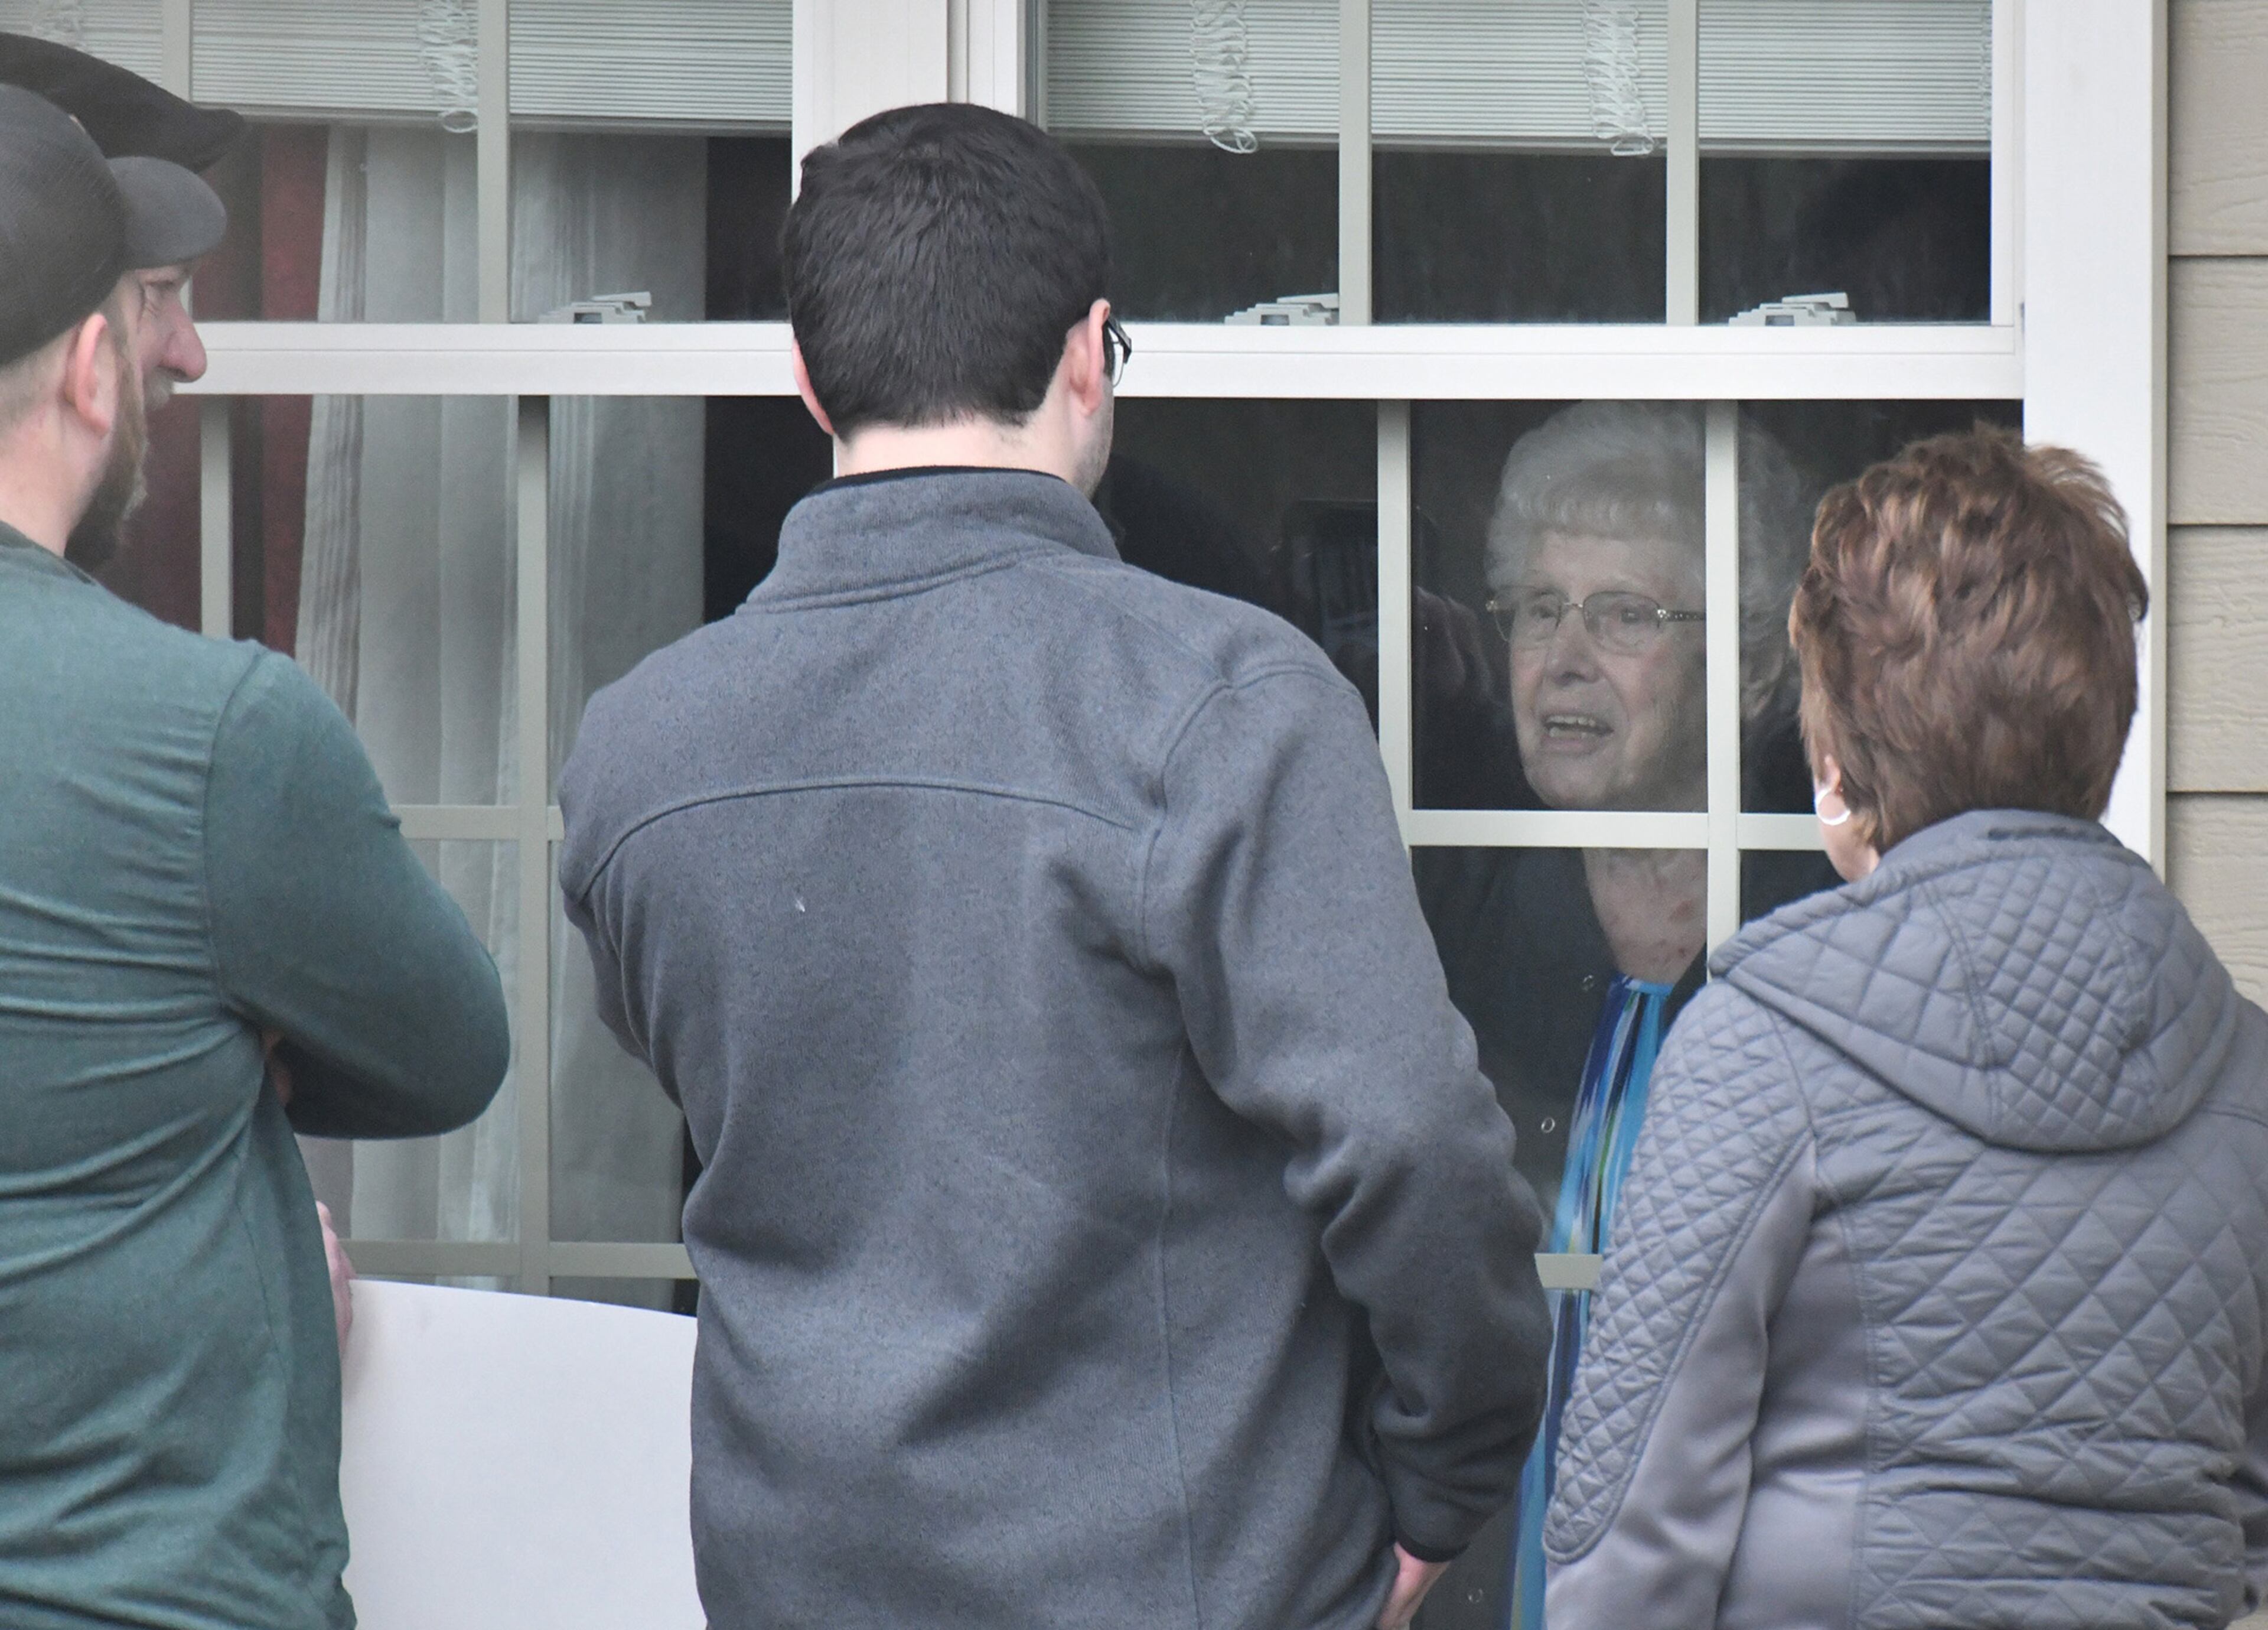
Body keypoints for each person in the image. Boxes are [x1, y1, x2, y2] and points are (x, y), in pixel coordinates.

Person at [558, 103, 1551, 1630]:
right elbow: (1413, 1143)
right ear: (1093, 352)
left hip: (792, 1582)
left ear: (810, 377)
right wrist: (1443, 1485)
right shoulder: (1227, 702)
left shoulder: (636, 752)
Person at [1545, 426, 2268, 1627]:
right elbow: (2242, 1503)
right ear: (2102, 731)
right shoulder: (2247, 1072)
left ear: (1832, 770)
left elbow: (1629, 1539)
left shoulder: (1758, 1047)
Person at [0, 87, 512, 1630]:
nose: (187, 357)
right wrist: (234, 1042)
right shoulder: (214, 734)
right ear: (91, 369)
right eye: (154, 316)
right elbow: (451, 1054)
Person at [1409, 400, 1833, 1628]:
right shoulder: (1449, 927)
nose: (1567, 659)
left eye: (1627, 615)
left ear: (1752, 658)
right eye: (1539, 610)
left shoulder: (1822, 943)